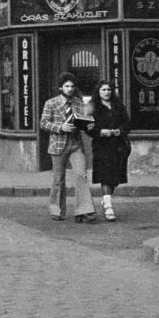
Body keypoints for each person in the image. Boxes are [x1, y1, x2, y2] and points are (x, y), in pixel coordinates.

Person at [41, 72, 97, 223]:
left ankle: (84, 211)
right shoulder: (51, 103)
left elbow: (84, 121)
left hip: (75, 144)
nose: (70, 89)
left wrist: (89, 125)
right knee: (58, 179)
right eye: (66, 86)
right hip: (58, 145)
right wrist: (60, 127)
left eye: (72, 86)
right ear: (60, 87)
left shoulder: (79, 103)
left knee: (81, 175)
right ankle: (57, 210)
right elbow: (43, 123)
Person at [86, 81, 131, 221]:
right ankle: (108, 206)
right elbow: (86, 125)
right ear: (98, 92)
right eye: (103, 90)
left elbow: (127, 123)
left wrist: (120, 131)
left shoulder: (118, 106)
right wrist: (100, 131)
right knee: (106, 174)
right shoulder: (93, 107)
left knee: (115, 176)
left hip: (118, 145)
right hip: (102, 145)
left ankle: (106, 199)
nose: (107, 92)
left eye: (109, 89)